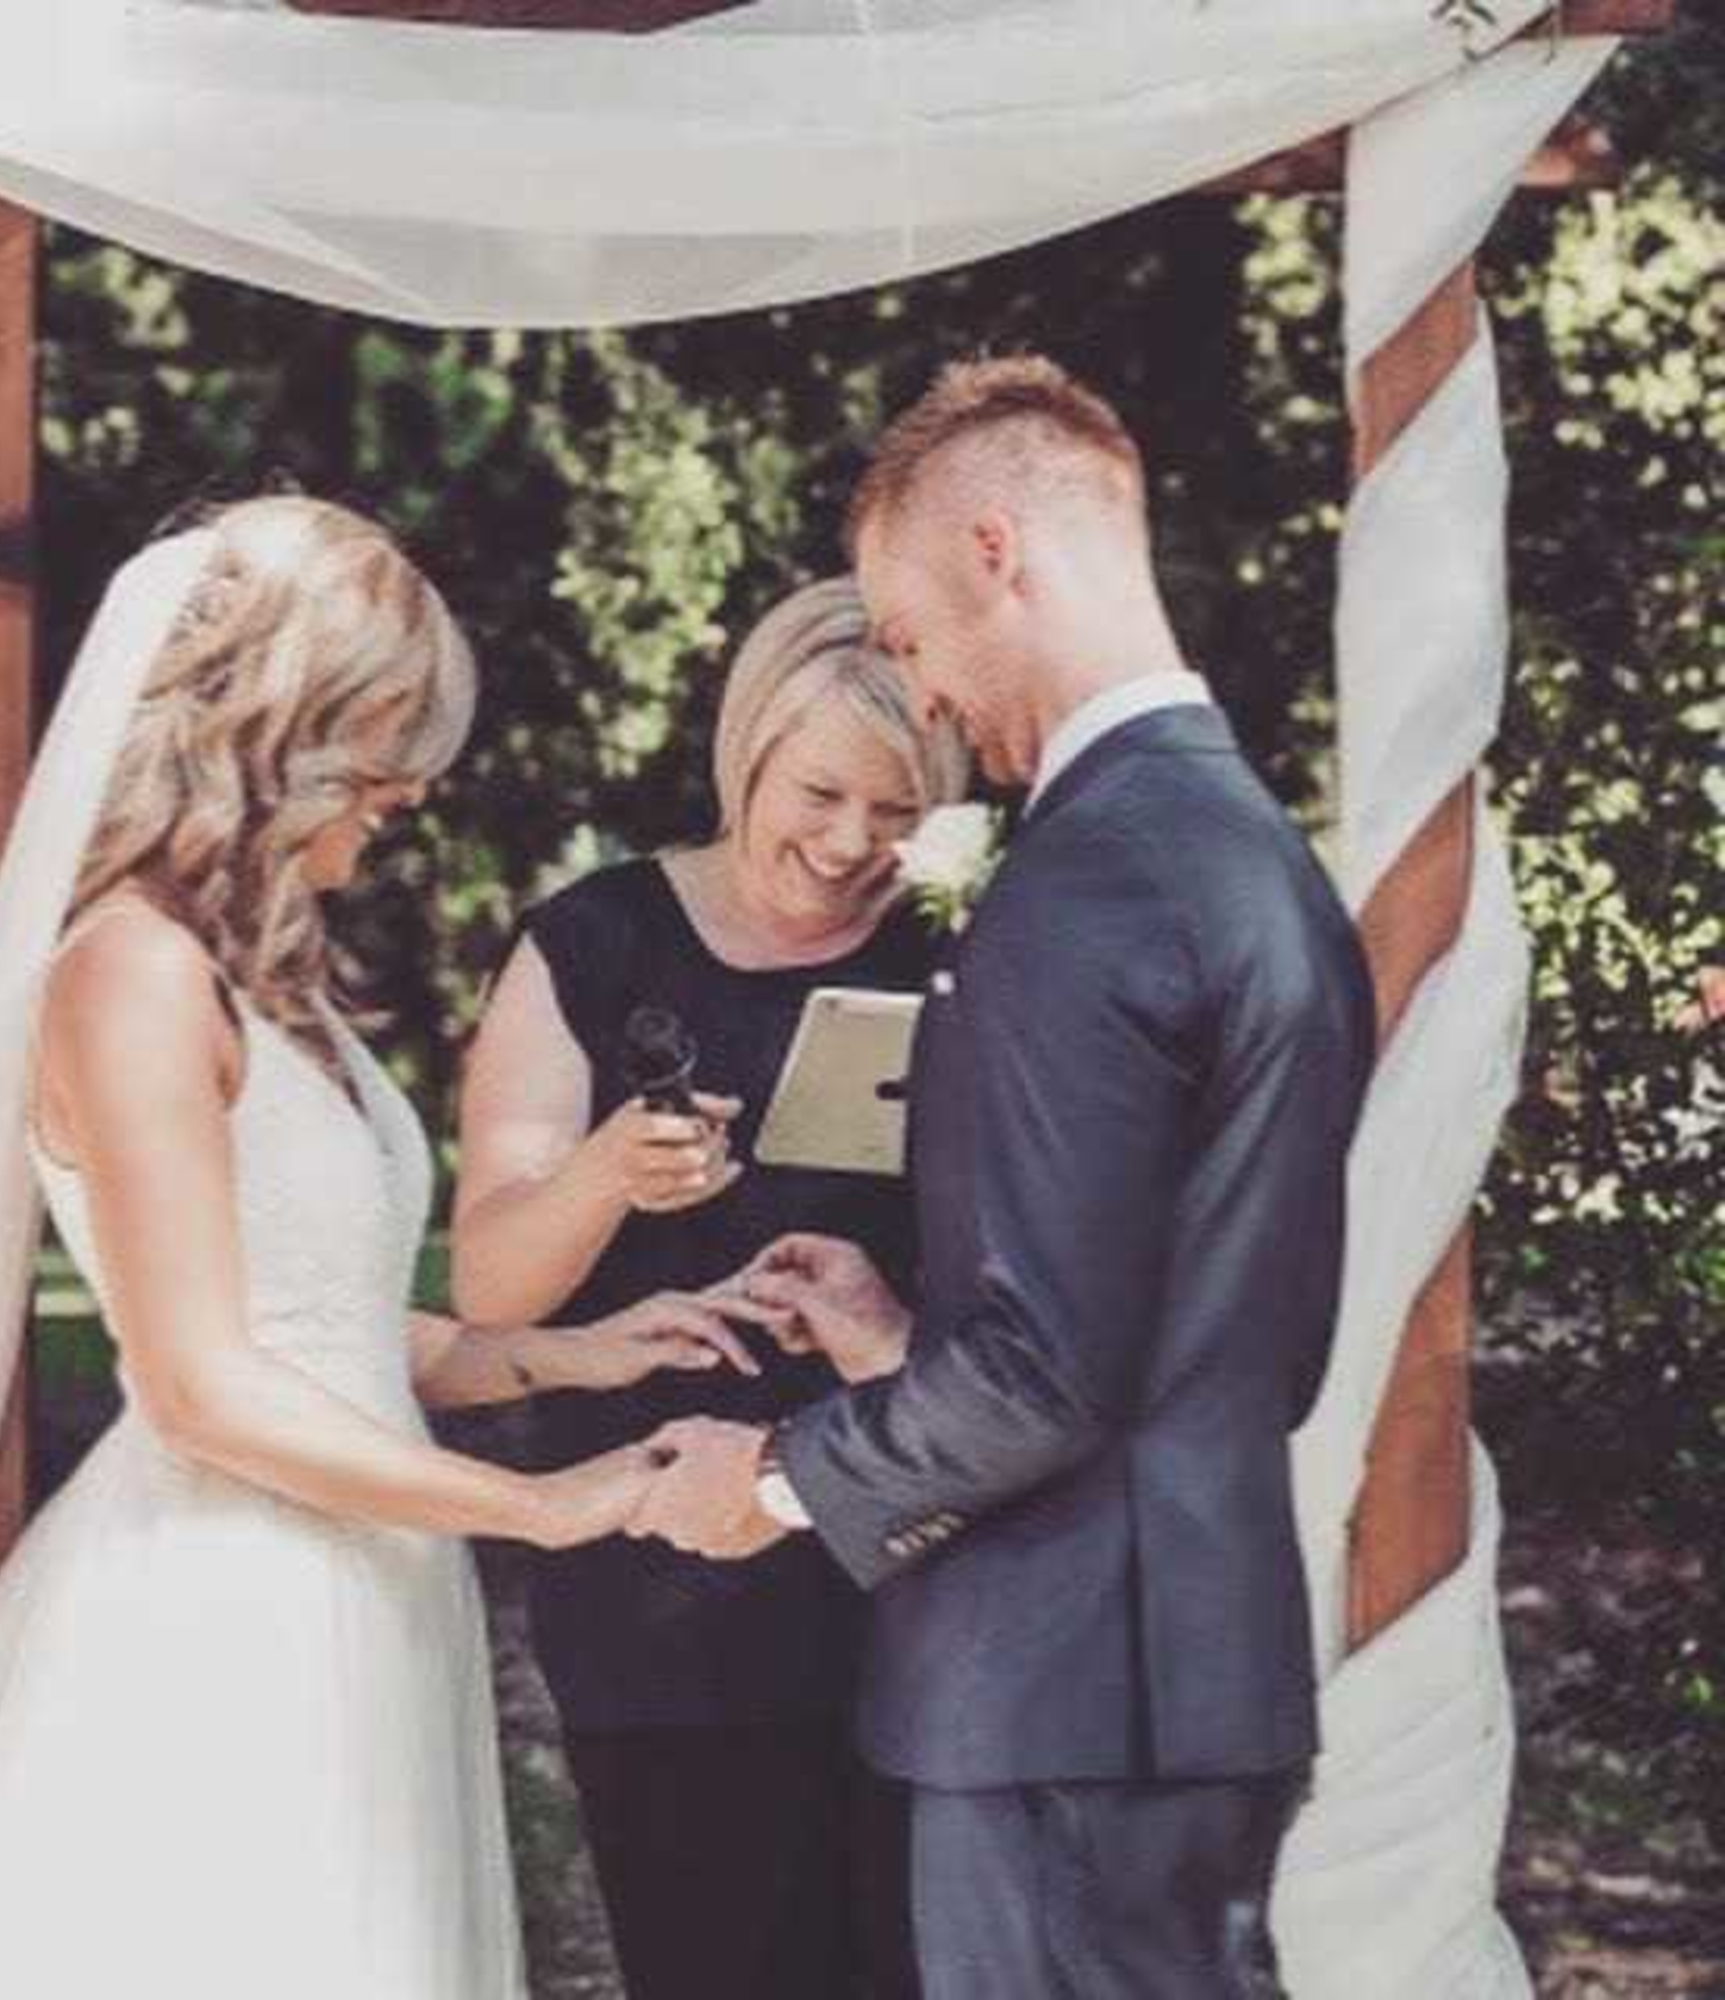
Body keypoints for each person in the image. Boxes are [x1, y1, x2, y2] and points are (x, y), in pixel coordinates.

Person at [0, 496, 763, 1998]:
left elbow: (317, 1315)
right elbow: (202, 1384)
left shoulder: (277, 987)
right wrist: (538, 1506)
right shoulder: (127, 974)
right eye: (389, 743)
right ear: (280, 729)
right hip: (224, 1609)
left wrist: (560, 1351)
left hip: (371, 1588)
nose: (409, 794)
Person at [630, 357, 1379, 1999]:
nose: (931, 697)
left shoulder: (1088, 879)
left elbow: (1045, 1381)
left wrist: (768, 1479)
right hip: (1194, 1653)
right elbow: (1223, 1322)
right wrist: (903, 1338)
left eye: (906, 638)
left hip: (1055, 1684)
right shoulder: (1257, 858)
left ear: (995, 553)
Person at [453, 577, 967, 2000]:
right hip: (661, 1567)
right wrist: (608, 1176)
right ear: (745, 749)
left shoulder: (952, 954)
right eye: (820, 793)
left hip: (903, 1551)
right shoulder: (592, 942)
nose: (853, 845)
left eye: (898, 811)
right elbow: (491, 1285)